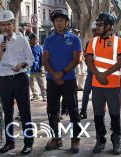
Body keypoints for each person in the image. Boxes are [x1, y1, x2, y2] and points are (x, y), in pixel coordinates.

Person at [0, 10, 34, 155]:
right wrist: (1, 52)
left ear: (13, 25)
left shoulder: (22, 39)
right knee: (7, 113)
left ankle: (28, 143)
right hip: (4, 81)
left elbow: (31, 59)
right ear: (0, 26)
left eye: (8, 24)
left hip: (20, 79)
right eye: (3, 25)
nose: (6, 27)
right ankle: (10, 143)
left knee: (24, 112)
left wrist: (21, 65)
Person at [86, 12, 121, 155]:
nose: (97, 26)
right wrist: (98, 75)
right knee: (98, 114)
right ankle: (100, 140)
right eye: (97, 24)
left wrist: (105, 74)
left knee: (115, 114)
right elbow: (88, 60)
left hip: (113, 85)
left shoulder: (119, 41)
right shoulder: (93, 41)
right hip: (97, 85)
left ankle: (116, 140)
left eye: (100, 24)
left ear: (109, 26)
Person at [42, 8, 82, 153]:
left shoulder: (74, 39)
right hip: (52, 80)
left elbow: (76, 59)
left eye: (61, 21)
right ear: (54, 23)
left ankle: (75, 139)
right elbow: (45, 59)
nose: (59, 23)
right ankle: (56, 138)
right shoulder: (48, 39)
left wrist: (62, 72)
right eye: (56, 21)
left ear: (67, 22)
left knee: (73, 110)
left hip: (69, 79)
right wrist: (54, 74)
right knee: (52, 110)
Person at [79, 21, 98, 119]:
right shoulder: (89, 43)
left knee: (99, 96)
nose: (95, 32)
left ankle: (99, 114)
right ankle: (83, 110)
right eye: (93, 30)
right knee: (86, 92)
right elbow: (87, 58)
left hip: (100, 74)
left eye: (96, 30)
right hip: (91, 73)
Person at [28, 32, 47, 101]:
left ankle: (44, 96)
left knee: (41, 82)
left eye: (36, 39)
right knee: (31, 82)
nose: (35, 40)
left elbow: (42, 58)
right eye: (33, 39)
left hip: (38, 69)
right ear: (30, 39)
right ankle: (35, 95)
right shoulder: (28, 47)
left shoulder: (39, 48)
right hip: (30, 69)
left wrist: (42, 67)